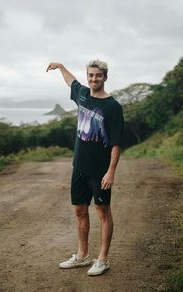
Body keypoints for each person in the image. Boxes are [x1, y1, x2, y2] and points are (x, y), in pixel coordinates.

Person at [46, 60, 124, 276]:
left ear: (105, 77)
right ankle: (82, 256)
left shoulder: (113, 107)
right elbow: (71, 81)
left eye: (98, 76)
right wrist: (60, 67)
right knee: (80, 211)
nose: (93, 79)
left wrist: (111, 171)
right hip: (79, 166)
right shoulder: (82, 95)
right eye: (90, 75)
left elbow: (117, 142)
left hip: (100, 170)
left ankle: (103, 259)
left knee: (102, 212)